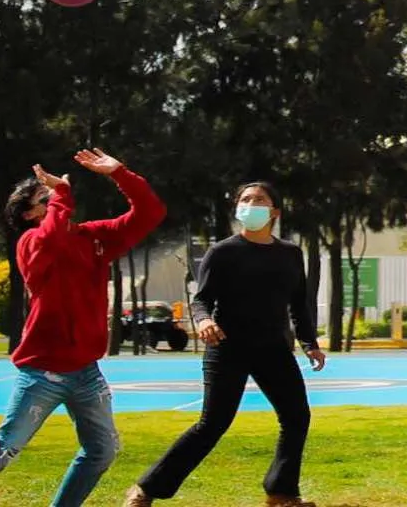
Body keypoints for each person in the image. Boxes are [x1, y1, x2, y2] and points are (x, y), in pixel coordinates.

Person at [0, 149, 165, 506]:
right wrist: (62, 194)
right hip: (42, 373)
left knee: (102, 451)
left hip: (86, 372)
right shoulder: (31, 242)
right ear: (28, 215)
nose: (59, 198)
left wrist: (118, 173)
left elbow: (151, 213)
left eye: (56, 195)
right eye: (46, 198)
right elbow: (52, 239)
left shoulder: (91, 238)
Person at [124, 181, 325, 507]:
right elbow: (201, 299)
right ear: (237, 209)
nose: (251, 203)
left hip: (273, 347)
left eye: (259, 199)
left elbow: (299, 303)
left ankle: (282, 492)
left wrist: (309, 342)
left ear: (275, 212)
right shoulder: (223, 252)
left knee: (296, 416)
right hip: (227, 346)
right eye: (245, 199)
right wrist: (203, 321)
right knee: (212, 425)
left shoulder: (290, 253)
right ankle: (145, 490)